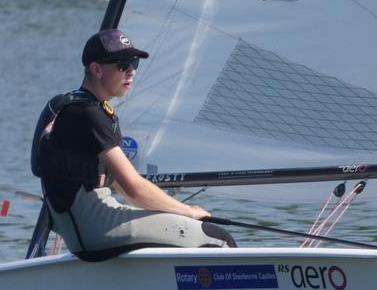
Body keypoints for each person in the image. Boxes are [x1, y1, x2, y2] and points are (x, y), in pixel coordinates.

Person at [32, 28, 236, 258]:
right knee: (217, 238)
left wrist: (177, 214)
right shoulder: (88, 114)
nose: (131, 71)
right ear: (96, 69)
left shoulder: (76, 106)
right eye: (122, 64)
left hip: (86, 228)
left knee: (184, 226)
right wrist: (189, 211)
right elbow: (134, 188)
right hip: (96, 230)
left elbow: (122, 187)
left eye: (134, 63)